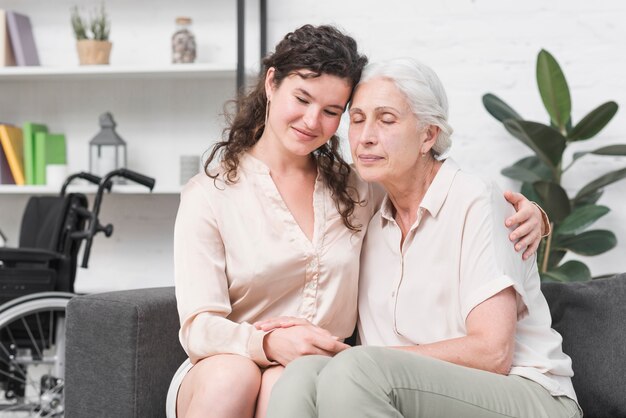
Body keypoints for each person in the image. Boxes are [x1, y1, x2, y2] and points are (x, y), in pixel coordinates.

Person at [167, 25, 547, 418]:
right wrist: (266, 345)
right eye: (302, 98)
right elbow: (197, 326)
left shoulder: (358, 188)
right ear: (271, 84)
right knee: (235, 377)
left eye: (332, 111)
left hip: (329, 368)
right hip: (230, 358)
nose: (312, 121)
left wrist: (533, 215)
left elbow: (430, 191)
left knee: (291, 379)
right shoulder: (208, 196)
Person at [262, 58, 581, 418]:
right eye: (357, 119)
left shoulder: (474, 200)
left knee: (356, 369)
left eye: (386, 120)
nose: (365, 136)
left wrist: (359, 359)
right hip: (403, 394)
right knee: (301, 375)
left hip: (525, 395)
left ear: (428, 135)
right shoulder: (366, 204)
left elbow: (492, 352)